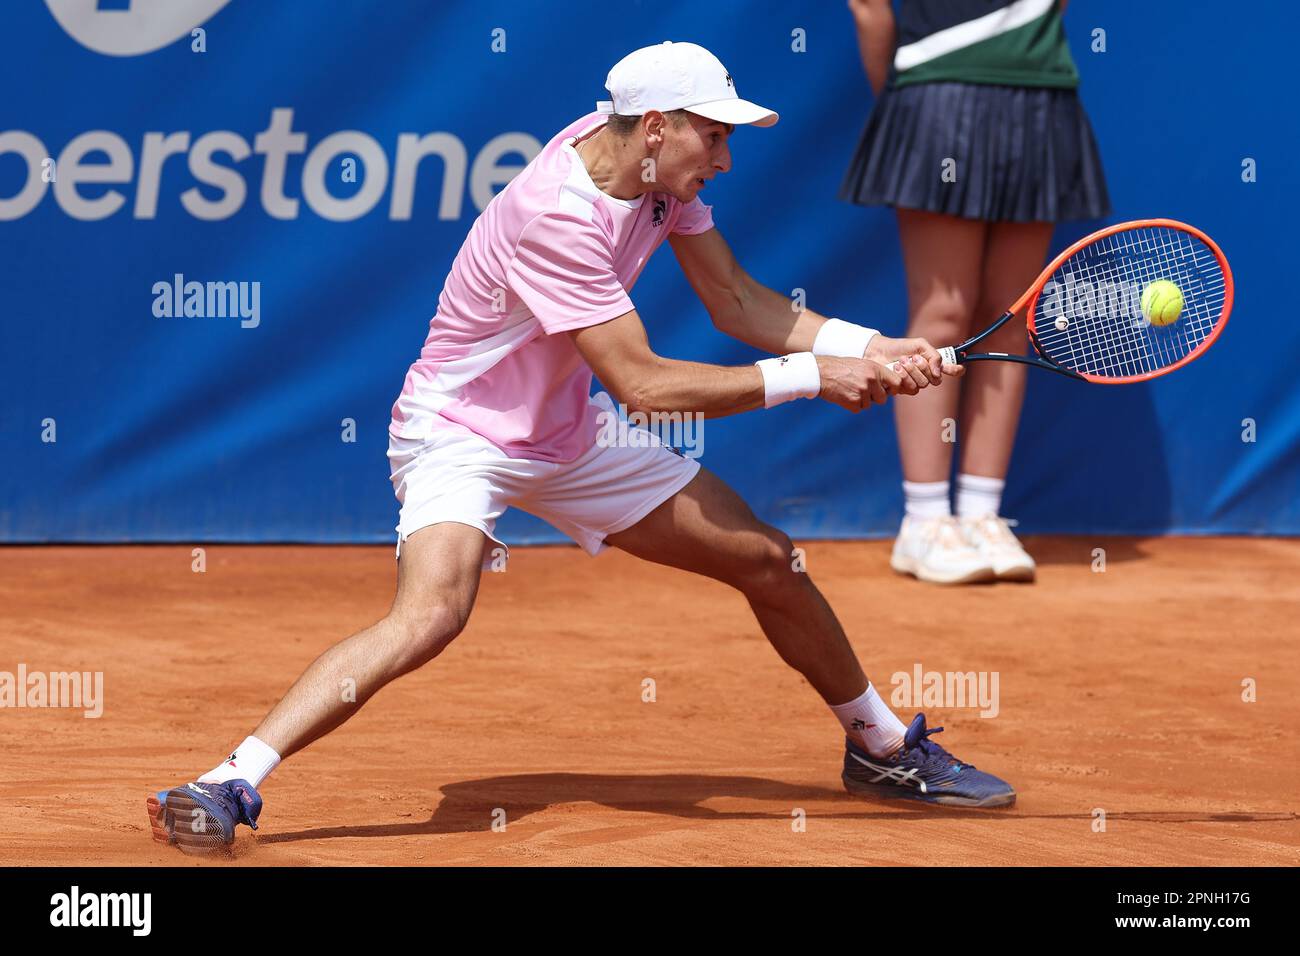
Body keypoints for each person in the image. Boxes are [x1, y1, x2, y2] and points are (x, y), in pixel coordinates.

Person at [147, 40, 1014, 855]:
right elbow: (644, 383)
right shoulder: (553, 215)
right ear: (658, 129)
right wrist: (810, 378)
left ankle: (879, 745)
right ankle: (229, 781)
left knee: (767, 559)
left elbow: (739, 301)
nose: (724, 159)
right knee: (433, 614)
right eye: (713, 137)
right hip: (462, 432)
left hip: (565, 429)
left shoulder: (646, 167)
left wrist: (867, 345)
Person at [842, 0, 1111, 584]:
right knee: (943, 312)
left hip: (1041, 99)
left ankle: (983, 514)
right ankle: (925, 521)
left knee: (1012, 318)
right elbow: (869, 9)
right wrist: (906, 103)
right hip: (937, 95)